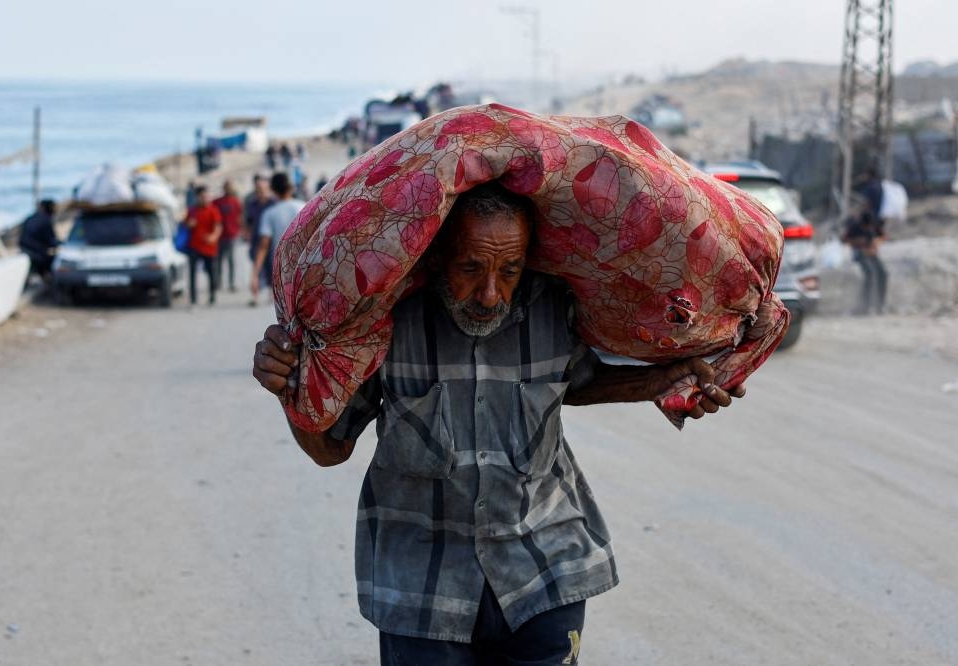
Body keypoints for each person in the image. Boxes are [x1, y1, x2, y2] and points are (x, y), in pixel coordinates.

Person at [252, 183, 742, 665]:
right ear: (438, 255)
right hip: (422, 588)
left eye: (509, 270)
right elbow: (328, 448)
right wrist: (290, 391)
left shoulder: (551, 306)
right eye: (471, 268)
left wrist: (665, 380)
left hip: (545, 571)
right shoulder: (385, 324)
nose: (491, 294)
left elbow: (575, 383)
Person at [250, 172, 304, 304]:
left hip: (282, 270)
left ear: (273, 190)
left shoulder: (269, 214)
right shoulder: (304, 207)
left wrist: (255, 274)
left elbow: (264, 245)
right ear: (291, 188)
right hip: (305, 265)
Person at [842, 166, 888, 315]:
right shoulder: (856, 224)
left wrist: (875, 243)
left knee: (883, 273)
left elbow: (883, 236)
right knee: (869, 274)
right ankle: (865, 305)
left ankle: (879, 305)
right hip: (860, 253)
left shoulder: (872, 222)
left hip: (871, 253)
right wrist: (859, 243)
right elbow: (844, 239)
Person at [184, 185, 222, 305]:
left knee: (211, 272)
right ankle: (193, 299)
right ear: (197, 197)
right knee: (192, 273)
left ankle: (212, 296)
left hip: (209, 247)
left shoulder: (213, 210)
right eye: (203, 197)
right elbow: (185, 224)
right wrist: (190, 224)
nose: (206, 199)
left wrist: (213, 237)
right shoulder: (192, 210)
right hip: (194, 246)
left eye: (207, 196)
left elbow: (218, 226)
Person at [244, 174, 276, 306]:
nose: (260, 191)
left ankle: (271, 293)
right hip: (256, 240)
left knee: (271, 268)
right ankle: (255, 295)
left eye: (263, 188)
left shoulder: (273, 203)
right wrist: (247, 233)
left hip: (270, 240)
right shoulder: (252, 204)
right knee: (256, 268)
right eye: (258, 188)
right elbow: (247, 221)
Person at [212, 180, 243, 293]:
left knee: (231, 260)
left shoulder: (235, 202)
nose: (228, 189)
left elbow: (240, 217)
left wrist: (240, 230)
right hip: (220, 236)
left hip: (231, 235)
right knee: (219, 260)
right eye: (226, 187)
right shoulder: (217, 202)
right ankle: (218, 282)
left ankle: (231, 283)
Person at [19, 199, 59, 279]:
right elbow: (52, 241)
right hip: (37, 254)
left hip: (23, 249)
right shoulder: (46, 220)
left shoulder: (29, 218)